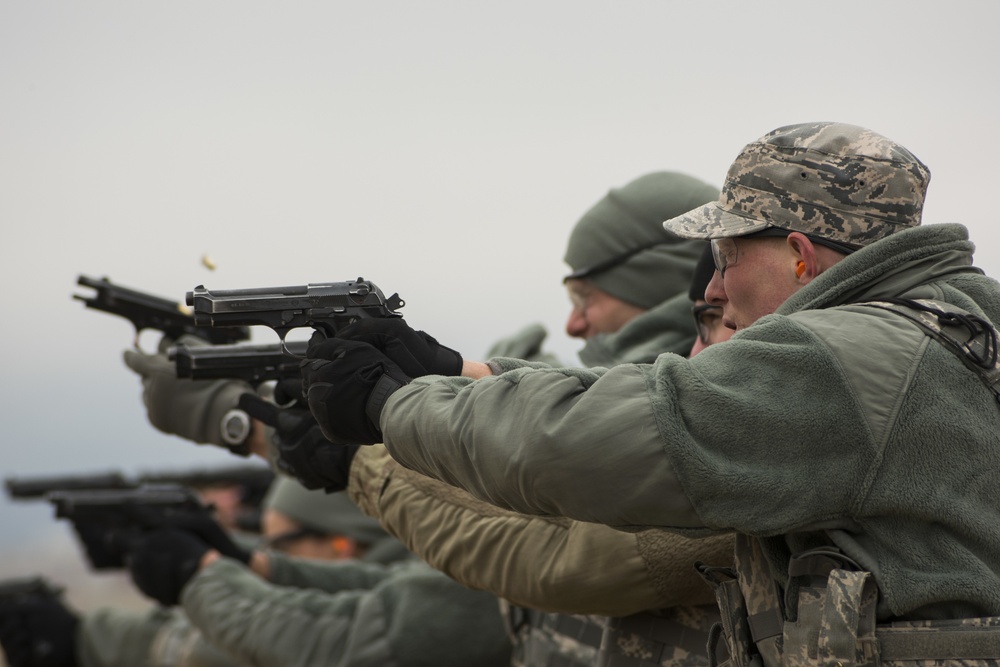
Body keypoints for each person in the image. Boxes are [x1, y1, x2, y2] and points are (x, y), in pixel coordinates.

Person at [300, 122, 1000, 664]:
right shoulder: (949, 327)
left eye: (727, 258)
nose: (716, 289)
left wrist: (387, 406)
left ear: (799, 253)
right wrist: (458, 369)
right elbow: (659, 397)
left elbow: (598, 443)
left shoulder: (846, 355)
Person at [346, 246, 734, 667]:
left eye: (587, 298)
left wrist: (360, 459)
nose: (572, 324)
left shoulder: (740, 443)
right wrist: (458, 372)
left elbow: (565, 556)